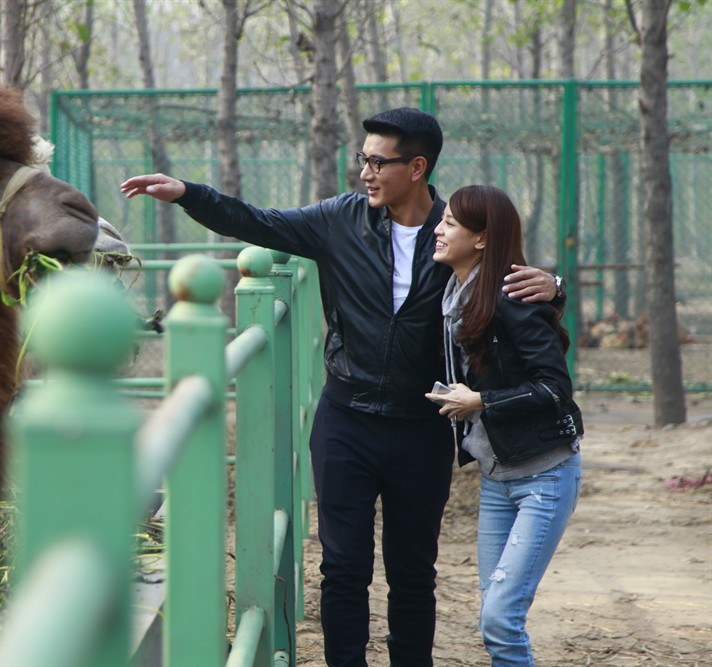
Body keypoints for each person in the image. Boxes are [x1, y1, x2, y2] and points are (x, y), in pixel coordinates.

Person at [121, 108, 560, 667]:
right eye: (363, 160)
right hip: (345, 422)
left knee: (412, 572)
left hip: (422, 425)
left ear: (418, 166)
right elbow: (258, 221)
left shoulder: (454, 233)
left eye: (379, 162)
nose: (366, 173)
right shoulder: (340, 220)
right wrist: (188, 193)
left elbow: (506, 277)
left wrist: (556, 285)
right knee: (343, 566)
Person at [425, 184, 583, 666]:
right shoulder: (454, 292)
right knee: (496, 618)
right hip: (497, 479)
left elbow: (556, 389)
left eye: (449, 223)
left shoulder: (511, 295)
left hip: (545, 476)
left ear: (481, 239)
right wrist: (557, 285)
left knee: (499, 616)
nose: (438, 228)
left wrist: (481, 400)